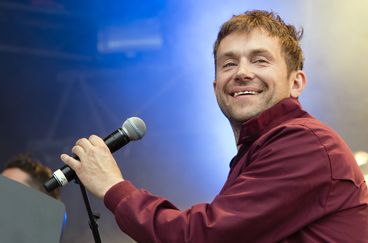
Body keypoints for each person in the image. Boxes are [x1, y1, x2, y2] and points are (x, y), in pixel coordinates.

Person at [60, 10, 368, 242]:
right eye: (229, 63)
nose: (242, 73)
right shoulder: (259, 151)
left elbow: (201, 237)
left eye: (260, 60)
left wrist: (114, 188)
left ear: (296, 82)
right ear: (216, 85)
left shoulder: (306, 144)